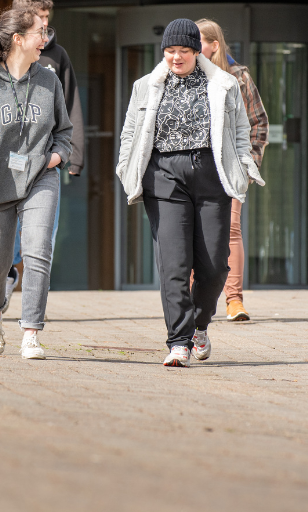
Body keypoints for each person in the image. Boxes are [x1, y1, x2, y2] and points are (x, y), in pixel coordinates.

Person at [116, 19, 263, 367]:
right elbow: (130, 134)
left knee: (214, 265)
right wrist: (126, 169)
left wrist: (242, 167)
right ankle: (178, 341)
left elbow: (242, 129)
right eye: (169, 51)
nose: (175, 58)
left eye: (183, 51)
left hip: (212, 177)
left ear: (198, 51)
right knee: (174, 264)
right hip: (164, 178)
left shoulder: (224, 84)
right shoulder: (146, 86)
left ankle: (199, 325)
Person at [0, 7, 73, 359]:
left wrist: (53, 159)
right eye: (41, 31)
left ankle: (30, 334)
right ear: (18, 39)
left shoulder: (49, 80)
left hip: (41, 178)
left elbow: (64, 134)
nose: (46, 38)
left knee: (38, 250)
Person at [1, 0, 85, 309]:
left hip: (46, 160)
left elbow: (70, 105)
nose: (46, 30)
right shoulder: (2, 56)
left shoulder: (57, 56)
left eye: (48, 20)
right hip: (8, 161)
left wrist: (73, 155)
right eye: (40, 22)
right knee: (7, 231)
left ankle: (32, 314)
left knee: (42, 233)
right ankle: (7, 273)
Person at [196, 19, 269, 322]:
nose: (191, 47)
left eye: (198, 41)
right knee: (194, 231)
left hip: (231, 168)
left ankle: (234, 300)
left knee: (231, 230)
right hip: (197, 166)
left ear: (214, 45)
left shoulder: (238, 77)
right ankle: (194, 301)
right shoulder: (187, 75)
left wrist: (247, 162)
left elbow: (259, 123)